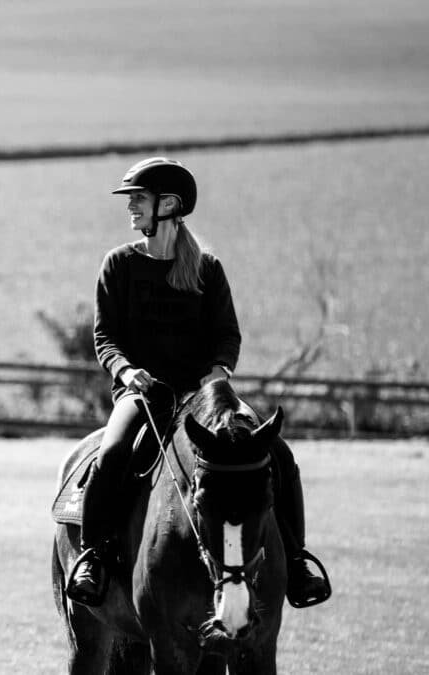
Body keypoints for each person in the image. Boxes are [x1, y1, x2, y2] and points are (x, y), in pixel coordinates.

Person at [66, 157, 331, 608]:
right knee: (111, 454)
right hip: (144, 395)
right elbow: (105, 337)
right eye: (131, 200)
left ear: (167, 205)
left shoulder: (207, 270)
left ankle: (298, 561)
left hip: (205, 397)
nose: (130, 207)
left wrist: (218, 371)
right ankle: (94, 555)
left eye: (138, 199)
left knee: (280, 456)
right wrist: (128, 372)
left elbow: (227, 334)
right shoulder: (118, 266)